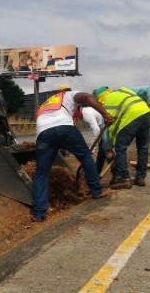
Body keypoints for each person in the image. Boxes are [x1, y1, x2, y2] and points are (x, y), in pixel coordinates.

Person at [32, 85, 114, 222]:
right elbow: (87, 96)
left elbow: (49, 128)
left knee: (41, 173)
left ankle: (39, 213)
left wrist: (60, 144)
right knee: (86, 157)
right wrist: (105, 114)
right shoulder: (69, 95)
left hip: (43, 132)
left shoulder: (46, 103)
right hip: (64, 127)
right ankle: (96, 191)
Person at [92, 86, 150, 188]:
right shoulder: (123, 90)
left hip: (131, 118)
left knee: (120, 148)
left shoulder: (105, 105)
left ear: (99, 99)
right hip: (145, 113)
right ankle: (140, 178)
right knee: (143, 148)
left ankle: (125, 179)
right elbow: (148, 89)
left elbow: (106, 136)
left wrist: (108, 149)